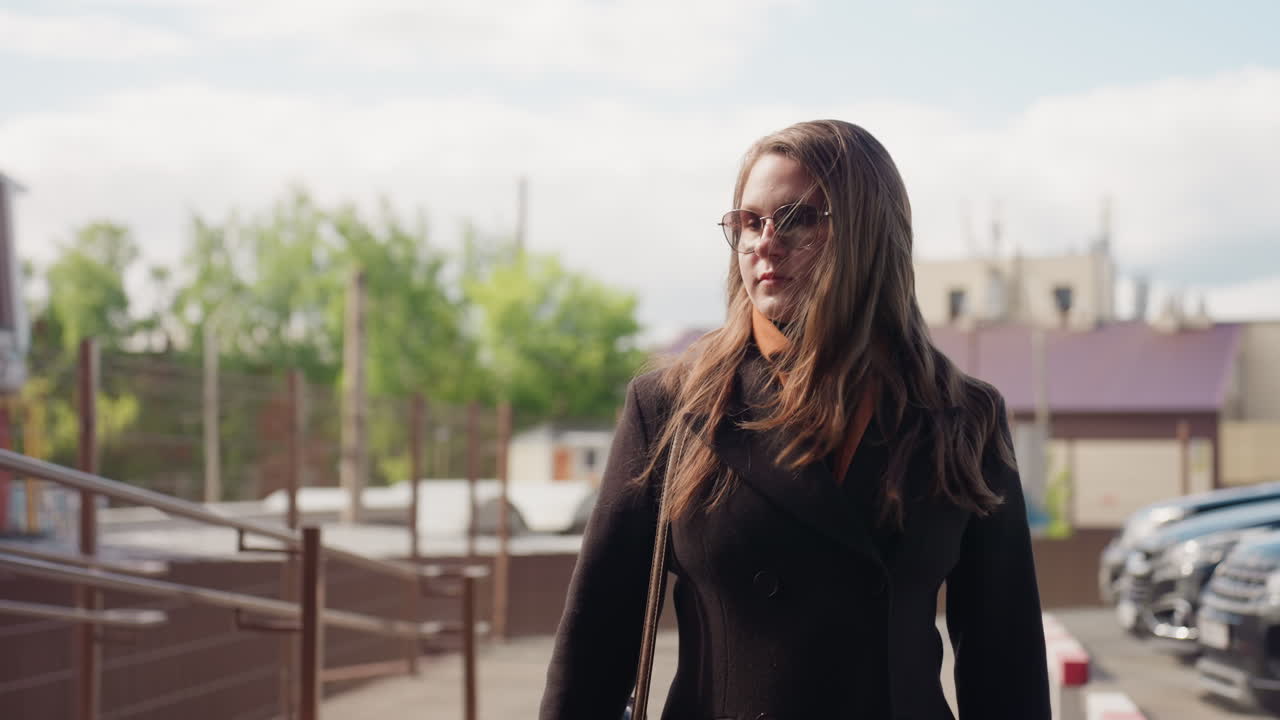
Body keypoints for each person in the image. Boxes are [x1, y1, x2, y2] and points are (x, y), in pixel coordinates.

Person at [539, 119, 1050, 719]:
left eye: (798, 218)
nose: (764, 242)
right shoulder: (673, 407)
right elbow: (598, 641)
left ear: (868, 234)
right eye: (750, 222)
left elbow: (1004, 658)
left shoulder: (962, 417)